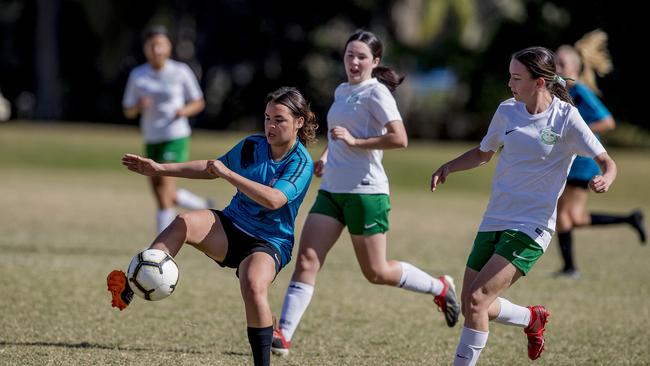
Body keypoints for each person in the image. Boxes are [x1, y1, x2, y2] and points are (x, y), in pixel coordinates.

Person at [271, 30, 460, 356]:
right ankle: (283, 336)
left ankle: (439, 287)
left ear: (375, 62)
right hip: (332, 190)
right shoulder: (342, 89)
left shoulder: (377, 94)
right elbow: (339, 133)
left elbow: (399, 138)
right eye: (349, 55)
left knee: (377, 272)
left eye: (361, 57)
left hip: (366, 193)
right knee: (307, 260)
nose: (354, 62)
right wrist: (327, 159)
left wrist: (357, 144)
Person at [430, 46, 617, 365]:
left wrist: (607, 177)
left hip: (533, 225)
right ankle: (532, 319)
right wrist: (448, 166)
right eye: (510, 76)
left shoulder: (566, 117)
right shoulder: (507, 111)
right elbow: (483, 153)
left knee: (477, 301)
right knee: (471, 303)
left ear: (540, 82)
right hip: (496, 217)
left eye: (517, 78)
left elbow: (605, 160)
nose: (510, 84)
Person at [107, 87, 318, 366]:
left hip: (269, 242)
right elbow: (209, 168)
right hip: (231, 225)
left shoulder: (301, 163)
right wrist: (159, 169)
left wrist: (229, 174)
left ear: (299, 122)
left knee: (254, 286)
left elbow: (274, 200)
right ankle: (133, 283)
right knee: (183, 222)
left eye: (279, 120)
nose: (270, 126)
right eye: (267, 118)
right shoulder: (252, 146)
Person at [554, 30, 646, 278]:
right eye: (554, 63)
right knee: (575, 217)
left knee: (563, 215)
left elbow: (608, 121)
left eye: (561, 64)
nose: (556, 68)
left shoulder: (581, 92)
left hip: (583, 162)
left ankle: (570, 269)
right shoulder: (563, 93)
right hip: (571, 161)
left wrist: (579, 131)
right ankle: (630, 219)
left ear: (574, 67)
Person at [122, 25, 212, 234]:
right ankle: (203, 205)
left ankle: (161, 246)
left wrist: (183, 111)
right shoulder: (138, 74)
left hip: (175, 136)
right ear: (145, 48)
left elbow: (198, 102)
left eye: (160, 45)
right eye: (152, 46)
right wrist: (138, 106)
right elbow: (128, 110)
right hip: (152, 137)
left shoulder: (180, 71)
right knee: (159, 190)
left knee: (164, 185)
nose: (156, 50)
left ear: (169, 47)